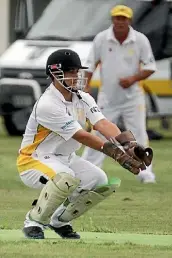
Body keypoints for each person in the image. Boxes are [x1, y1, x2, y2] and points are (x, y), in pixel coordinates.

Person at [16, 49, 152, 239]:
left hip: (66, 159)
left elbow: (102, 123)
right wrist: (115, 153)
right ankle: (33, 222)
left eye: (77, 71)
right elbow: (82, 136)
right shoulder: (48, 104)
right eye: (71, 71)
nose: (77, 76)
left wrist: (128, 144)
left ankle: (59, 221)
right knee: (66, 178)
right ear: (55, 74)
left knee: (100, 180)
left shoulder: (82, 97)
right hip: (33, 161)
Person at [82, 5, 157, 183]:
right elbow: (91, 65)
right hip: (107, 98)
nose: (120, 22)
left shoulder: (140, 40)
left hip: (133, 98)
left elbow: (150, 67)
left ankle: (145, 172)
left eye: (123, 18)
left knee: (138, 134)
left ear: (129, 21)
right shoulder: (101, 39)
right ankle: (89, 169)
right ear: (112, 20)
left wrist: (132, 79)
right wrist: (86, 88)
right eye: (117, 18)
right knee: (99, 134)